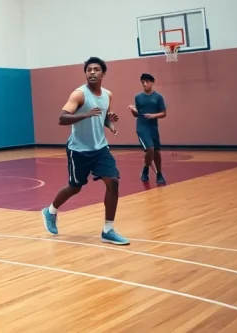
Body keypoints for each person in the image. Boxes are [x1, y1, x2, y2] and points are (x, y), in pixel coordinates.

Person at [40, 57, 130, 246]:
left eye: (96, 69)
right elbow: (62, 118)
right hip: (78, 149)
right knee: (75, 187)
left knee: (113, 182)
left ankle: (108, 230)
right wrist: (86, 114)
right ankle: (51, 211)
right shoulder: (79, 95)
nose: (92, 72)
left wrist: (110, 122)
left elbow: (103, 117)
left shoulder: (107, 95)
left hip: (100, 148)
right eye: (89, 69)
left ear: (103, 74)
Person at [128, 73, 167, 185]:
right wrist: (133, 110)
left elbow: (164, 113)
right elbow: (137, 114)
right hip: (142, 127)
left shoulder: (158, 97)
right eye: (143, 82)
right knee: (150, 148)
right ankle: (146, 169)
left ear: (152, 82)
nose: (144, 84)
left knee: (157, 152)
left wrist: (154, 115)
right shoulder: (138, 97)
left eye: (147, 82)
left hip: (153, 127)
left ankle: (159, 174)